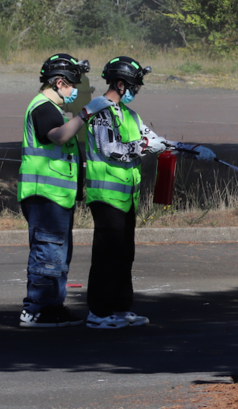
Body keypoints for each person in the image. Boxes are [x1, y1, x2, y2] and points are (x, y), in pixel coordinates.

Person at [82, 56, 215, 329]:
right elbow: (112, 150)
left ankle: (120, 308)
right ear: (120, 84)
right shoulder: (101, 114)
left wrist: (191, 150)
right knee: (107, 256)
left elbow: (157, 141)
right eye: (133, 86)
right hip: (106, 197)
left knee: (124, 254)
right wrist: (143, 147)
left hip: (126, 197)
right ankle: (99, 313)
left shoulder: (130, 115)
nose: (136, 92)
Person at [17, 54, 112, 328]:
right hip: (45, 195)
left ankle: (52, 307)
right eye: (73, 86)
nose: (75, 92)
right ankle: (37, 309)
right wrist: (85, 114)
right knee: (47, 253)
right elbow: (59, 136)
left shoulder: (52, 108)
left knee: (56, 253)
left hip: (55, 195)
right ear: (59, 82)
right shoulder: (44, 107)